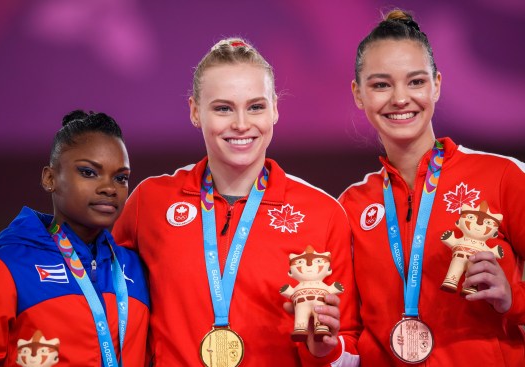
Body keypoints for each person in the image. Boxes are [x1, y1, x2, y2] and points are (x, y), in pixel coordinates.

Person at [112, 38, 360, 366]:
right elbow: (105, 301)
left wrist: (323, 349)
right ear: (195, 111)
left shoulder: (323, 212)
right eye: (223, 108)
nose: (241, 124)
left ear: (274, 109)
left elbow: (350, 347)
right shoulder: (152, 202)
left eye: (255, 106)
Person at [339, 9, 525, 366]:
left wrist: (512, 299)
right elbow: (348, 332)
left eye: (416, 81)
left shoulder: (501, 176)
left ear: (437, 84)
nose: (400, 99)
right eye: (380, 84)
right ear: (358, 94)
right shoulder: (350, 206)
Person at [0, 110, 150, 366]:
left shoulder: (136, 268)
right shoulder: (2, 269)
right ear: (50, 178)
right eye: (89, 172)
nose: (109, 188)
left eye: (120, 178)